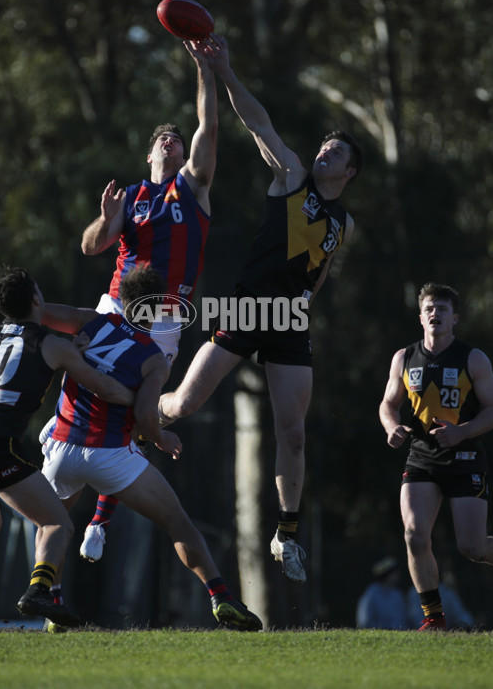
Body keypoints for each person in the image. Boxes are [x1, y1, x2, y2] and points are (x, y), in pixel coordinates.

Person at [158, 35, 362, 583]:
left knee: (292, 433)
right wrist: (222, 70)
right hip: (248, 309)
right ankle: (117, 417)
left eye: (336, 152)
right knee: (180, 408)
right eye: (323, 146)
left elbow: (316, 278)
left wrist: (302, 310)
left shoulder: (341, 223)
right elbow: (257, 123)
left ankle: (286, 535)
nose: (325, 152)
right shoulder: (294, 178)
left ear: (350, 173)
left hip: (289, 323)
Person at [40, 263, 262, 632]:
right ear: (157, 309)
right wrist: (162, 437)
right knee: (178, 522)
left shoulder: (91, 322)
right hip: (109, 455)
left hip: (62, 448)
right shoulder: (153, 357)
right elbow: (145, 415)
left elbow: (44, 314)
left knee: (52, 525)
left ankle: (53, 605)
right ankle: (220, 596)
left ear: (121, 300)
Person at [0, 267, 135, 633]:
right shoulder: (53, 346)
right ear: (37, 299)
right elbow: (104, 388)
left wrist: (69, 350)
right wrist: (147, 404)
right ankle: (39, 592)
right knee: (56, 523)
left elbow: (23, 348)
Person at [76, 37, 218, 562]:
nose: (171, 141)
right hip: (115, 305)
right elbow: (91, 246)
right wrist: (106, 217)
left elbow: (208, 128)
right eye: (162, 137)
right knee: (87, 393)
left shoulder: (192, 189)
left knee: (136, 413)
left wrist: (205, 69)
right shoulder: (131, 196)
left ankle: (99, 519)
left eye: (177, 139)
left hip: (163, 315)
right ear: (149, 152)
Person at [379, 282, 493, 631]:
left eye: (442, 309)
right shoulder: (404, 358)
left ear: (454, 318)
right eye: (428, 309)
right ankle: (434, 617)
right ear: (420, 318)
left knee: (471, 547)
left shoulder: (473, 358)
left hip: (466, 456)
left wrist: (462, 432)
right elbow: (387, 404)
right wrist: (391, 426)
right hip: (422, 456)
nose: (434, 314)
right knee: (414, 535)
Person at [356, 557, 408, 630]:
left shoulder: (397, 594)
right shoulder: (371, 594)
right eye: (394, 572)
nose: (398, 575)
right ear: (387, 574)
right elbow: (364, 622)